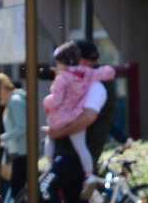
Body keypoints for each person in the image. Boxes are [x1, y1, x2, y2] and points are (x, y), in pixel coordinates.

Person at [40, 37, 114, 203]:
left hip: (76, 156)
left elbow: (87, 119)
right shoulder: (79, 81)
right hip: (71, 154)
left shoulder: (96, 86)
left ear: (81, 60)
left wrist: (55, 131)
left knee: (45, 187)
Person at [43, 49, 116, 190]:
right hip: (76, 114)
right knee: (81, 147)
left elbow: (56, 100)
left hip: (61, 117)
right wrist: (108, 70)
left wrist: (47, 102)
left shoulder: (62, 78)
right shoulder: (86, 74)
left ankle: (50, 163)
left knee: (49, 137)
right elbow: (105, 72)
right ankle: (89, 175)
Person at [0, 72, 28, 202]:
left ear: (1, 87)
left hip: (22, 152)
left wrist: (2, 137)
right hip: (18, 151)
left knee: (18, 190)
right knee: (17, 190)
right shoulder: (12, 100)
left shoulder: (15, 100)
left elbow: (22, 126)